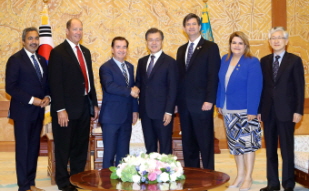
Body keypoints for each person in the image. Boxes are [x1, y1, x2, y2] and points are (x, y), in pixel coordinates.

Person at [48, 18, 99, 191]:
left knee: (80, 147)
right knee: (63, 147)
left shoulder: (85, 51)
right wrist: (60, 109)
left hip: (84, 107)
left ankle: (77, 179)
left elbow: (89, 80)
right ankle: (63, 182)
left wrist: (94, 104)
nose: (78, 32)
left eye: (80, 29)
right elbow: (55, 83)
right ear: (67, 31)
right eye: (75, 29)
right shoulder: (58, 52)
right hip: (66, 110)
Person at [258, 27, 305, 191]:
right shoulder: (263, 61)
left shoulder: (294, 60)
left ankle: (288, 183)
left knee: (286, 149)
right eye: (272, 38)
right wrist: (259, 110)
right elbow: (261, 88)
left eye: (279, 38)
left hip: (287, 112)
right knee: (270, 149)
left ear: (286, 41)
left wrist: (299, 110)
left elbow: (300, 87)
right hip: (268, 112)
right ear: (269, 42)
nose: (276, 40)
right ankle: (273, 183)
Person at [216, 31, 263, 191]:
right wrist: (219, 103)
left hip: (245, 111)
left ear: (245, 46)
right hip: (228, 110)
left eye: (240, 43)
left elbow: (255, 88)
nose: (236, 46)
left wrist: (252, 110)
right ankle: (240, 175)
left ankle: (248, 177)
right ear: (230, 44)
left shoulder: (252, 62)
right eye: (234, 42)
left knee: (247, 145)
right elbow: (221, 84)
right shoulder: (225, 59)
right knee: (236, 146)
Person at [5, 27, 50, 191]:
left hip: (38, 114)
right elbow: (10, 87)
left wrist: (47, 97)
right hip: (23, 113)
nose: (34, 41)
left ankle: (31, 184)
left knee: (33, 150)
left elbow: (46, 85)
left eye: (36, 38)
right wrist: (33, 100)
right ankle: (23, 187)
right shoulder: (15, 59)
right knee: (23, 151)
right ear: (23, 41)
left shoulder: (41, 59)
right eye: (30, 38)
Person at [176, 13, 221, 170]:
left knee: (205, 144)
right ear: (184, 28)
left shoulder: (210, 47)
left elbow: (213, 75)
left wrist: (210, 100)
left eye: (194, 24)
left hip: (203, 105)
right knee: (188, 145)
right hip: (184, 106)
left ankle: (209, 177)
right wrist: (176, 103)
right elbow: (179, 79)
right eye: (188, 24)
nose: (191, 27)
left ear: (200, 27)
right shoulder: (181, 50)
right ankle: (192, 178)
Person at [135, 28, 178, 154]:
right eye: (150, 40)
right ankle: (151, 173)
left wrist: (169, 111)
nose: (154, 43)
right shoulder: (142, 62)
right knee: (150, 147)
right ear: (146, 42)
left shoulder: (170, 62)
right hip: (145, 112)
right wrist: (134, 88)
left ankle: (167, 173)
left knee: (165, 147)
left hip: (163, 113)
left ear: (162, 41)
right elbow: (139, 82)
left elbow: (173, 88)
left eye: (157, 40)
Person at [99, 36, 139, 168]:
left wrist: (134, 110)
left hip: (127, 117)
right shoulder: (105, 67)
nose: (121, 50)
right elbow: (109, 86)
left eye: (124, 47)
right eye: (118, 47)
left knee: (124, 156)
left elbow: (133, 90)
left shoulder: (130, 66)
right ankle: (106, 186)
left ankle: (122, 184)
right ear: (112, 49)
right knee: (109, 155)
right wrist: (129, 91)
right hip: (111, 118)